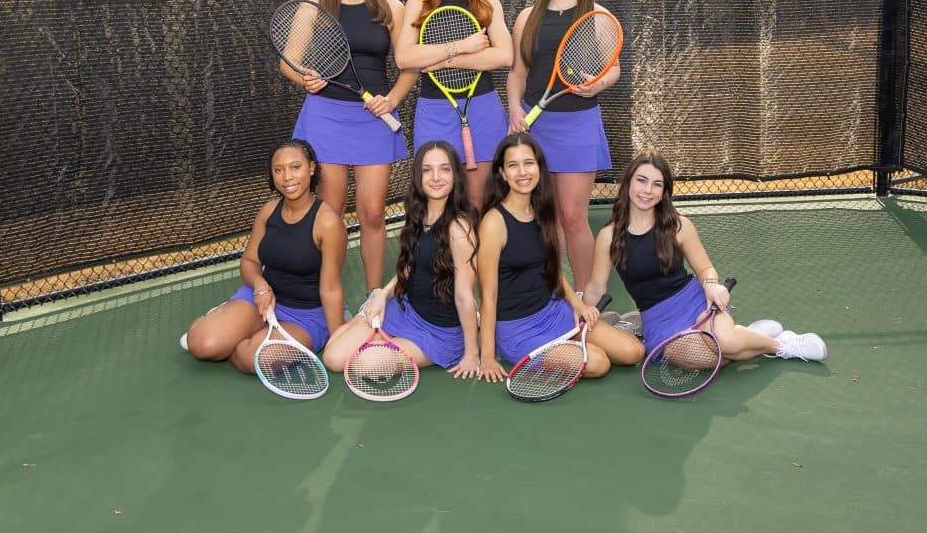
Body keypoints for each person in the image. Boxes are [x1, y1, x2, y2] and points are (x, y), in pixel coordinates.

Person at [583, 150, 828, 365]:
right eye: (641, 180)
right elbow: (595, 287)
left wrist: (711, 285)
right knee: (704, 358)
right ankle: (750, 335)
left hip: (695, 301)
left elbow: (705, 269)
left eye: (657, 184)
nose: (647, 190)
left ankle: (781, 345)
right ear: (628, 183)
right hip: (658, 319)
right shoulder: (609, 236)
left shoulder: (678, 226)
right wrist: (581, 313)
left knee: (724, 342)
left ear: (664, 191)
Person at [281, 0, 415, 290]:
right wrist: (304, 77)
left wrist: (393, 99)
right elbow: (288, 62)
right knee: (331, 211)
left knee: (372, 213)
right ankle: (327, 294)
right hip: (325, 117)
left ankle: (373, 297)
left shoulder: (392, 8)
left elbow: (409, 65)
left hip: (375, 118)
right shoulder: (313, 7)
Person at [476, 133, 644, 382]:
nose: (522, 172)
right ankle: (536, 352)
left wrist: (578, 305)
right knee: (598, 363)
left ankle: (571, 343)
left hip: (554, 312)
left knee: (633, 351)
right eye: (513, 165)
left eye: (529, 163)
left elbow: (552, 270)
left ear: (539, 167)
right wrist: (487, 356)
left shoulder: (541, 210)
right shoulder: (493, 223)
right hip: (519, 329)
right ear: (502, 173)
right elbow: (487, 296)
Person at [506, 0, 618, 292]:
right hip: (535, 126)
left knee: (572, 217)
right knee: (545, 218)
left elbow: (613, 69)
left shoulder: (598, 17)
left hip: (578, 126)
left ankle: (587, 297)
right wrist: (513, 110)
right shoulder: (527, 17)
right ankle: (555, 293)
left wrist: (597, 84)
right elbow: (517, 73)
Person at [181, 140, 347, 372]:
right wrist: (260, 286)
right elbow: (250, 262)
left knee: (256, 360)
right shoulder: (268, 211)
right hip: (262, 301)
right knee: (202, 344)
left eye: (295, 167)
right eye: (278, 170)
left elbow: (330, 288)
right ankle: (222, 327)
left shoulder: (328, 222)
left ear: (311, 168)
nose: (287, 177)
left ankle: (239, 337)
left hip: (307, 316)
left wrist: (338, 337)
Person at [322, 141, 481, 378]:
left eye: (444, 169)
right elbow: (409, 266)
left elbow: (464, 295)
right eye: (427, 170)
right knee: (333, 358)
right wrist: (382, 295)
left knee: (364, 364)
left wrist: (472, 353)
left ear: (456, 175)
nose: (436, 177)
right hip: (406, 309)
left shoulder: (459, 227)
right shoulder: (418, 213)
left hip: (438, 333)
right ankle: (377, 336)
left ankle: (379, 343)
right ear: (418, 176)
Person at [394, 0, 514, 209]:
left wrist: (443, 61)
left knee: (479, 201)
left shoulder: (487, 2)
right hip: (434, 110)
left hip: (483, 108)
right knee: (436, 203)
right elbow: (405, 57)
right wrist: (462, 46)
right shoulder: (419, 2)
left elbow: (504, 56)